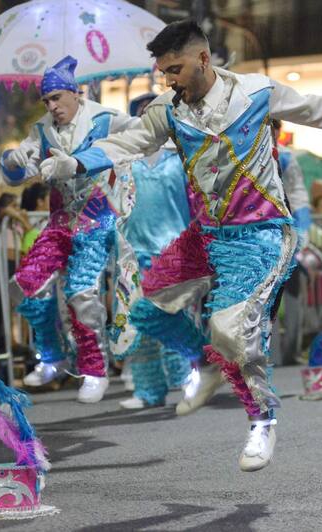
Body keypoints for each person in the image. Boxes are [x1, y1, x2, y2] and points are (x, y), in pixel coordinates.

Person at [76, 20, 322, 471]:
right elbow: (130, 141)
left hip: (259, 235)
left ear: (203, 59)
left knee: (231, 328)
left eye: (175, 70)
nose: (170, 81)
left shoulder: (255, 93)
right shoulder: (168, 109)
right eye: (164, 73)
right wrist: (75, 162)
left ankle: (262, 420)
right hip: (205, 236)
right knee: (146, 310)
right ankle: (207, 362)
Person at [0, 55, 138, 403]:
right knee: (24, 285)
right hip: (61, 222)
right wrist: (12, 161)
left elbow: (144, 136)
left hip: (98, 219)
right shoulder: (42, 129)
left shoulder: (105, 119)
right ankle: (52, 357)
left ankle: (94, 370)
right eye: (46, 100)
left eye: (57, 98)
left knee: (80, 293)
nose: (52, 106)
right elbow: (20, 171)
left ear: (75, 93)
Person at [115, 93, 192, 409]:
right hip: (133, 254)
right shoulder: (124, 161)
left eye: (154, 111)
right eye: (141, 113)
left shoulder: (182, 156)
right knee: (138, 323)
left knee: (172, 318)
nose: (148, 117)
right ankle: (149, 390)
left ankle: (186, 380)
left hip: (173, 252)